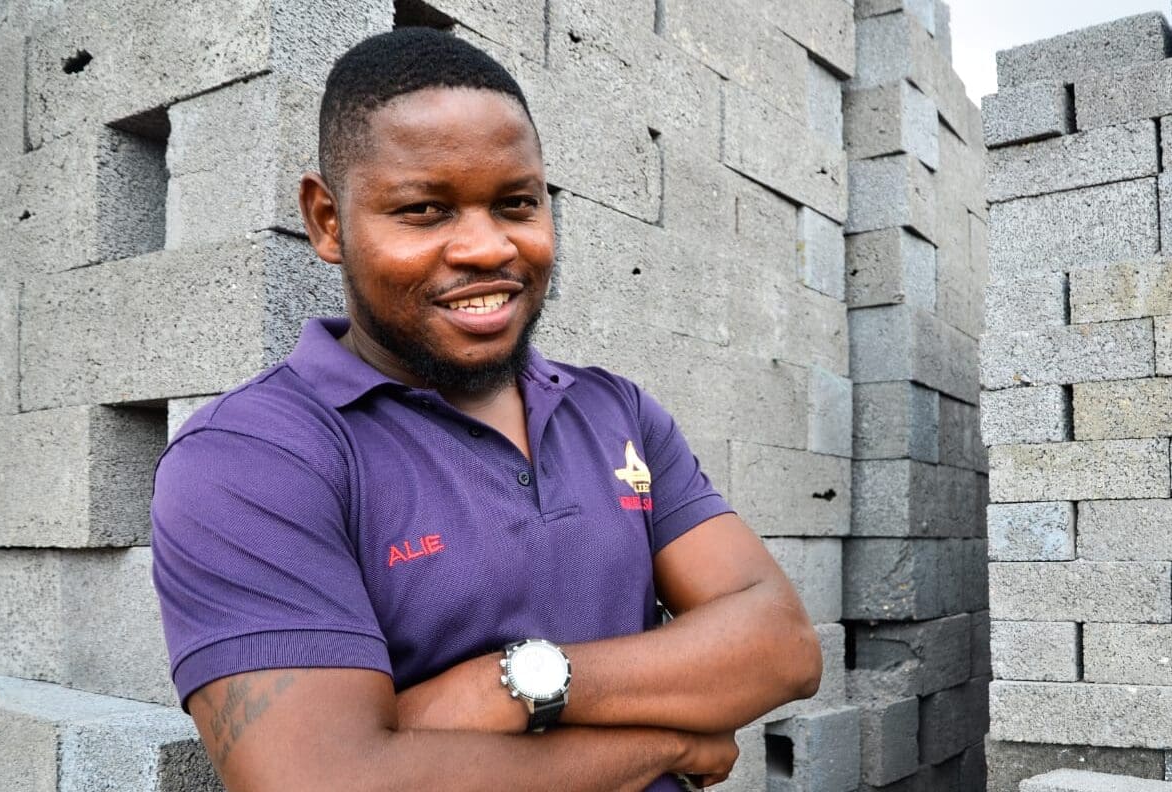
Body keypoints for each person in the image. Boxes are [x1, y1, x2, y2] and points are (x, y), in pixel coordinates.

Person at [150, 27, 822, 792]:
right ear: (327, 221)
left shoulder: (616, 411)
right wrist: (663, 745)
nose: (487, 247)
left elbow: (783, 644)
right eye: (424, 209)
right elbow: (324, 782)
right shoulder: (250, 459)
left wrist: (511, 685)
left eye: (516, 204)